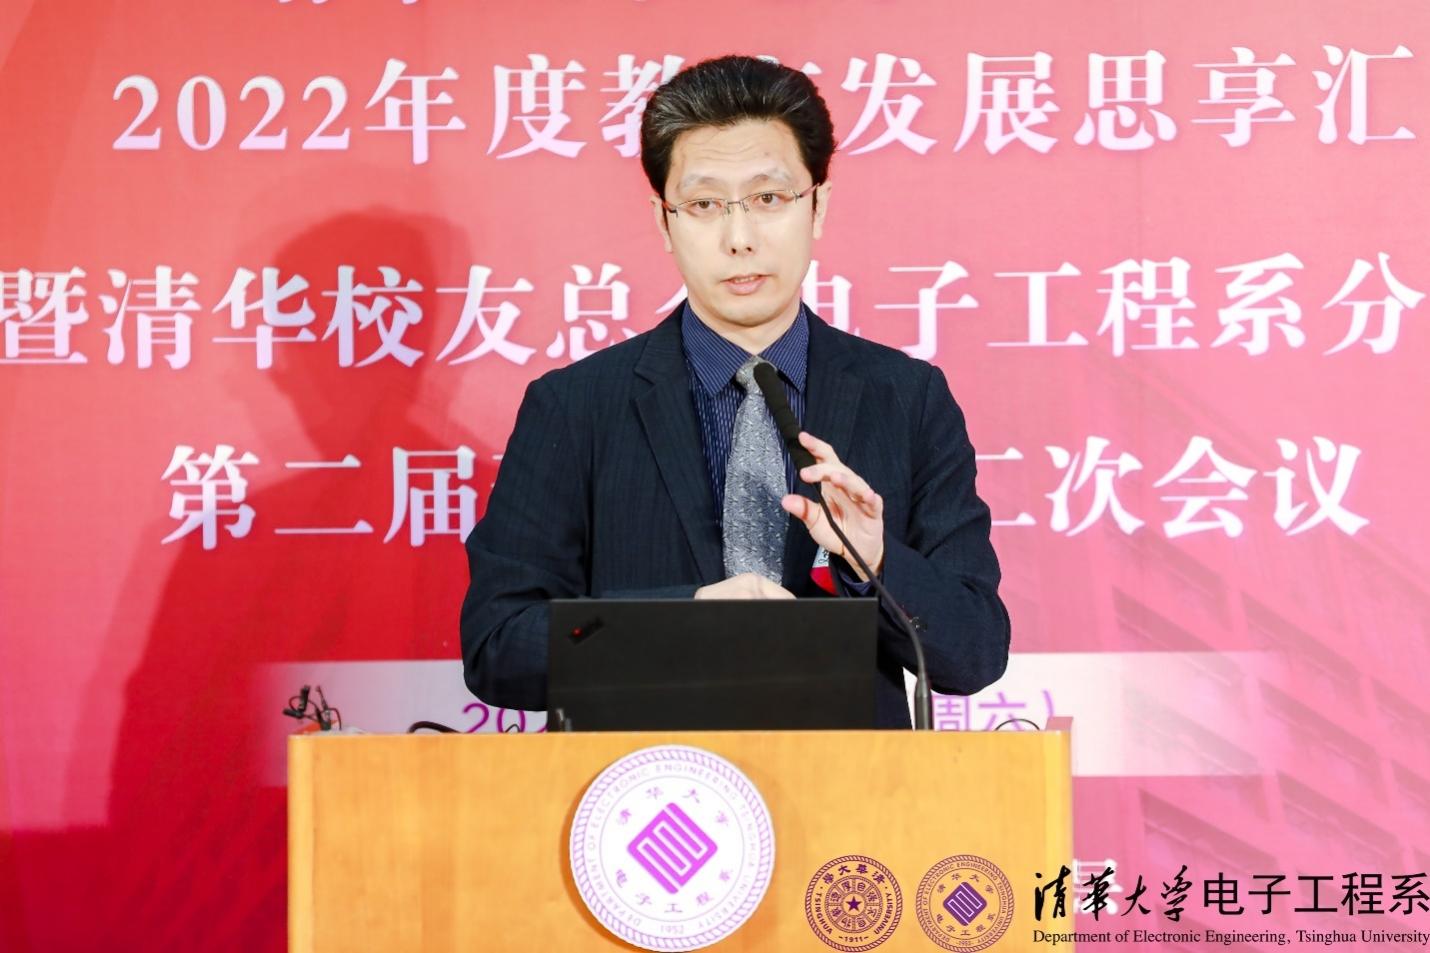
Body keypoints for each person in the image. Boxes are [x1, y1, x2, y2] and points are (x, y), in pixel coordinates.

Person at [460, 55, 1009, 728]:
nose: (740, 238)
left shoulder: (907, 398)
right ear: (664, 222)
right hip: (644, 786)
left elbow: (975, 653)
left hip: (855, 789)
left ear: (818, 206)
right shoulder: (575, 407)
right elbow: (497, 645)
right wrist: (686, 623)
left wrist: (877, 560)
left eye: (769, 199)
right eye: (704, 205)